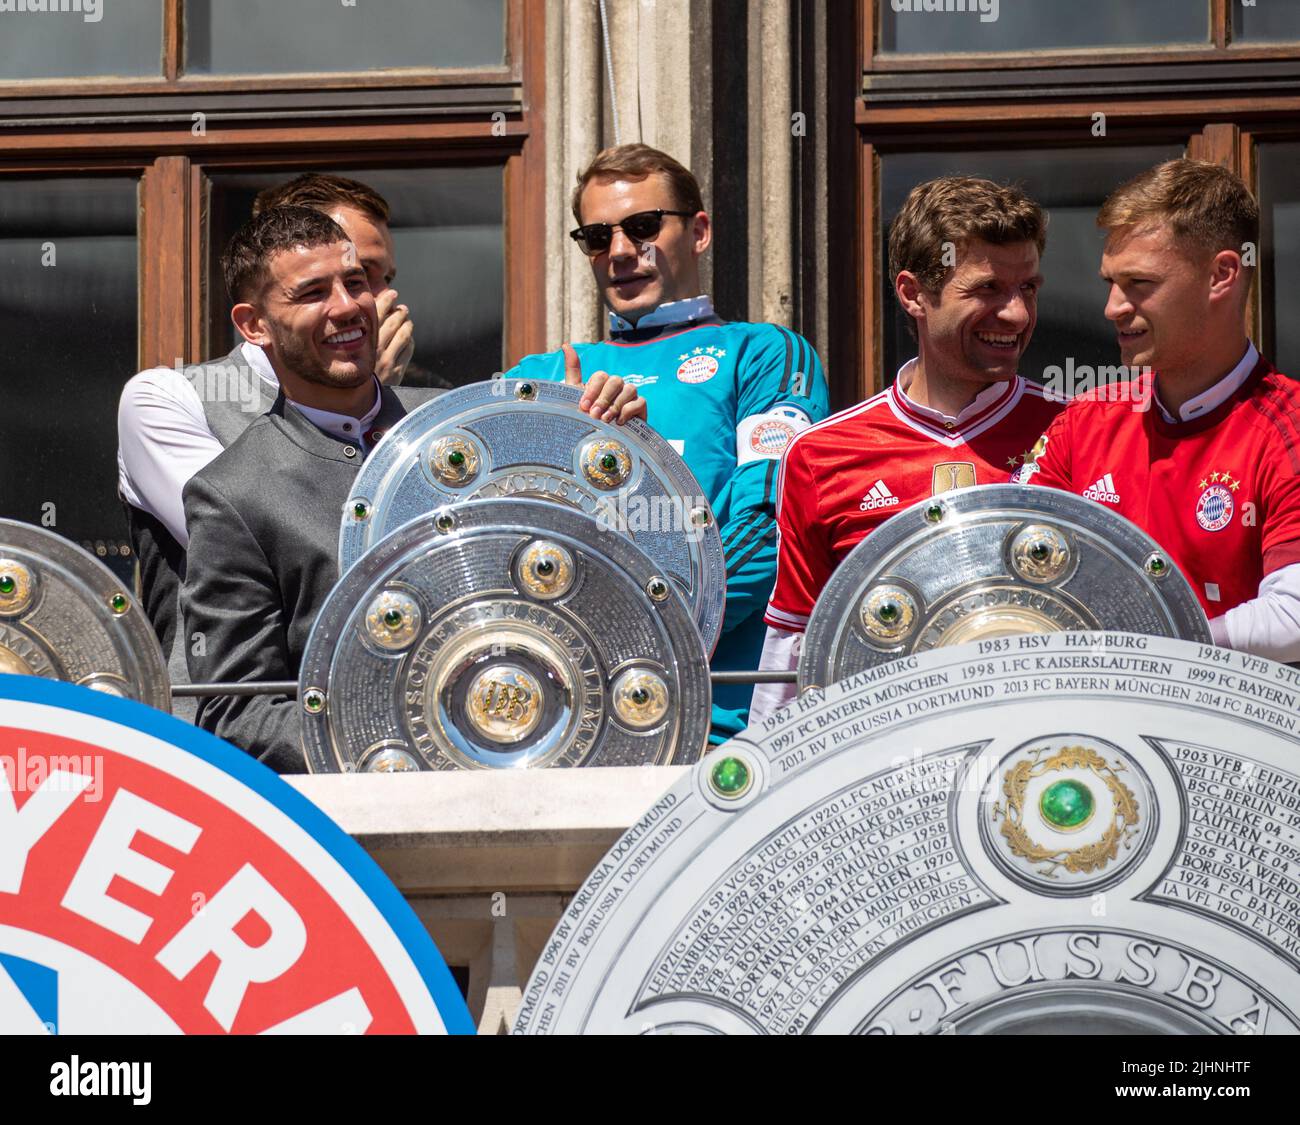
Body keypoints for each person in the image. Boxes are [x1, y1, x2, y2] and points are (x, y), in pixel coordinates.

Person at [181, 207, 643, 770]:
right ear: (254, 325)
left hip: (546, 770)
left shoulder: (472, 422)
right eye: (311, 293)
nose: (347, 307)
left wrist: (605, 458)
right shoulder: (231, 493)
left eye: (355, 283)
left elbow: (599, 590)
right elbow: (237, 712)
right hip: (376, 826)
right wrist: (410, 739)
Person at [507, 143, 830, 743]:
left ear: (699, 231)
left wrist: (645, 634)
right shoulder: (544, 373)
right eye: (598, 238)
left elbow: (771, 524)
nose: (622, 252)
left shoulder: (762, 352)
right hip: (574, 725)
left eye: (644, 227)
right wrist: (567, 447)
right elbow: (497, 538)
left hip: (721, 726)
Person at [751, 176, 1065, 724]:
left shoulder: (1076, 430)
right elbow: (795, 645)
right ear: (913, 293)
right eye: (988, 289)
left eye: (1029, 289)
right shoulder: (820, 454)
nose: (1016, 314)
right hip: (893, 773)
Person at [117, 174, 418, 714]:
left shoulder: (420, 409)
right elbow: (306, 549)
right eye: (315, 288)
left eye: (364, 280)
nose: (361, 304)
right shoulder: (170, 396)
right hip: (243, 747)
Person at [1020, 159, 1300, 662]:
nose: (1112, 307)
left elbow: (1292, 617)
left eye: (1139, 283)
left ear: (1222, 275)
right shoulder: (1084, 422)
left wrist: (1141, 656)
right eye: (1109, 281)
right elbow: (1015, 569)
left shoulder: (1289, 426)